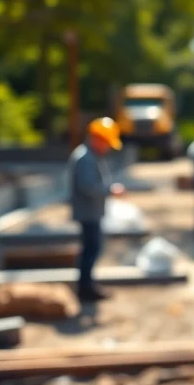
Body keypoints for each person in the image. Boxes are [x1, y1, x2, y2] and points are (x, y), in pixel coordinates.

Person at [68, 117, 125, 302]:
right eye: (106, 142)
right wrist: (109, 190)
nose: (107, 147)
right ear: (97, 138)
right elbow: (88, 186)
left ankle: (87, 286)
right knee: (91, 250)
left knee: (91, 249)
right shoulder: (85, 158)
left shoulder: (89, 155)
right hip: (88, 212)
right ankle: (85, 289)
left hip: (90, 211)